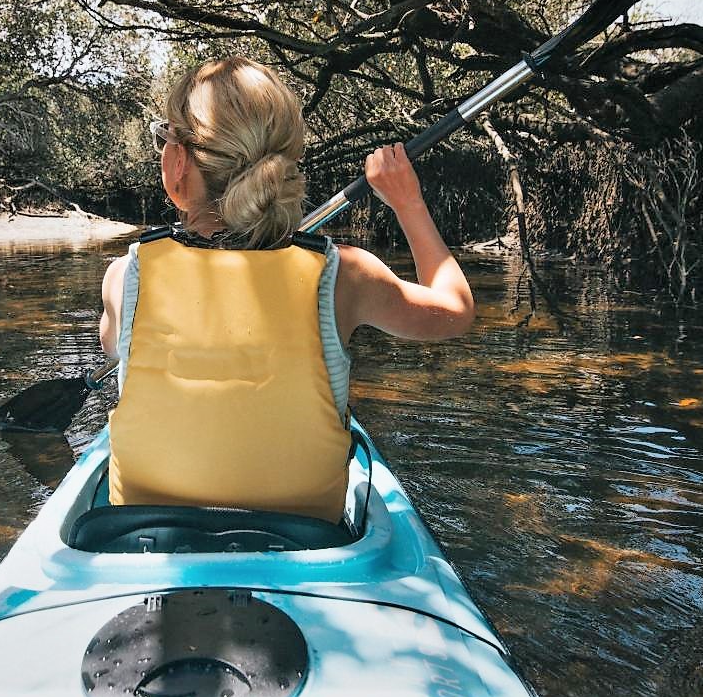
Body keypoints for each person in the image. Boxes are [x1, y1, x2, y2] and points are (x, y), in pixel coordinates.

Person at [99, 56, 474, 525]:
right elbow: (456, 310)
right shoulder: (344, 276)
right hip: (307, 536)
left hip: (139, 534)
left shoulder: (125, 276)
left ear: (176, 164)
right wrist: (407, 201)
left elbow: (114, 348)